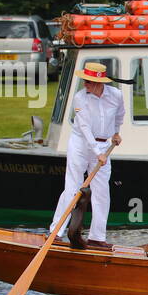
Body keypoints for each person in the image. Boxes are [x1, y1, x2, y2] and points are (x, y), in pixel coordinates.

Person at [50, 61, 124, 251]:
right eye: (85, 80)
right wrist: (97, 152)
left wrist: (116, 132)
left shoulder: (116, 95)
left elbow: (119, 115)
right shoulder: (80, 98)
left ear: (100, 83)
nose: (85, 84)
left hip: (104, 143)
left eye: (89, 81)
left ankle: (97, 237)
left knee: (102, 191)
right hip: (81, 144)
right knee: (73, 187)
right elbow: (84, 127)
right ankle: (56, 232)